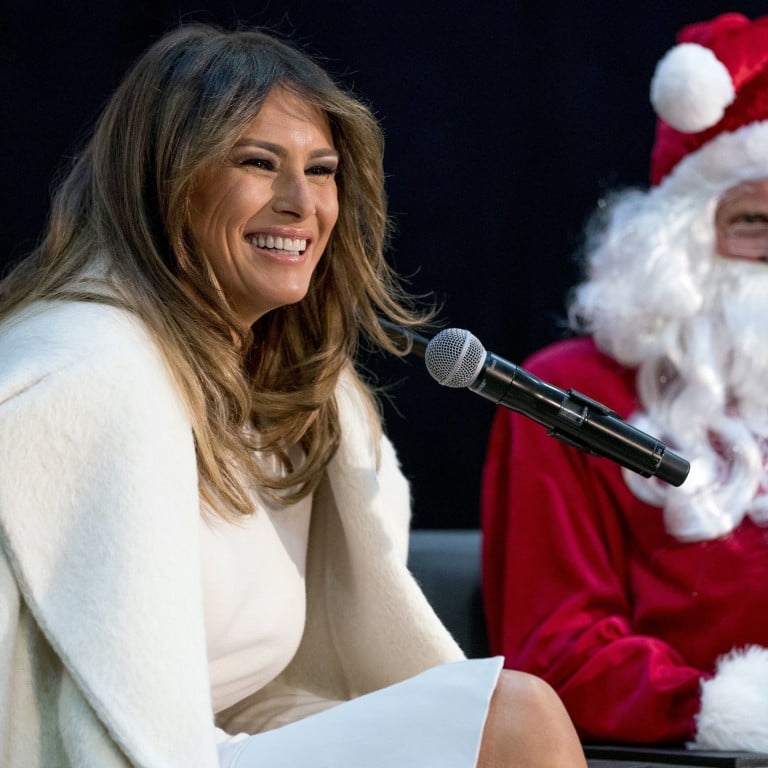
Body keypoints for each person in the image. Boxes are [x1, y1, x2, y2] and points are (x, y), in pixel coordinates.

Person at [0, 22, 587, 768]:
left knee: (499, 718)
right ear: (164, 181)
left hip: (221, 741)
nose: (300, 202)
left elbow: (243, 685)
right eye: (258, 162)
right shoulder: (81, 378)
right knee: (514, 723)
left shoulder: (285, 384)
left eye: (320, 170)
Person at [481, 11, 768, 753]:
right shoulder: (565, 396)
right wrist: (725, 712)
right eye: (755, 221)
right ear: (676, 239)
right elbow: (558, 652)